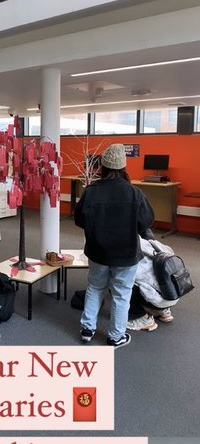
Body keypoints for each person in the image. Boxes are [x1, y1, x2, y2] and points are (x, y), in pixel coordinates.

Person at [74, 143, 154, 348]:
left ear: (103, 167)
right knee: (121, 294)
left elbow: (79, 219)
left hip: (97, 252)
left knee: (94, 287)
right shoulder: (134, 193)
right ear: (123, 167)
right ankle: (115, 336)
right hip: (126, 255)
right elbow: (146, 222)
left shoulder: (90, 191)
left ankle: (87, 329)